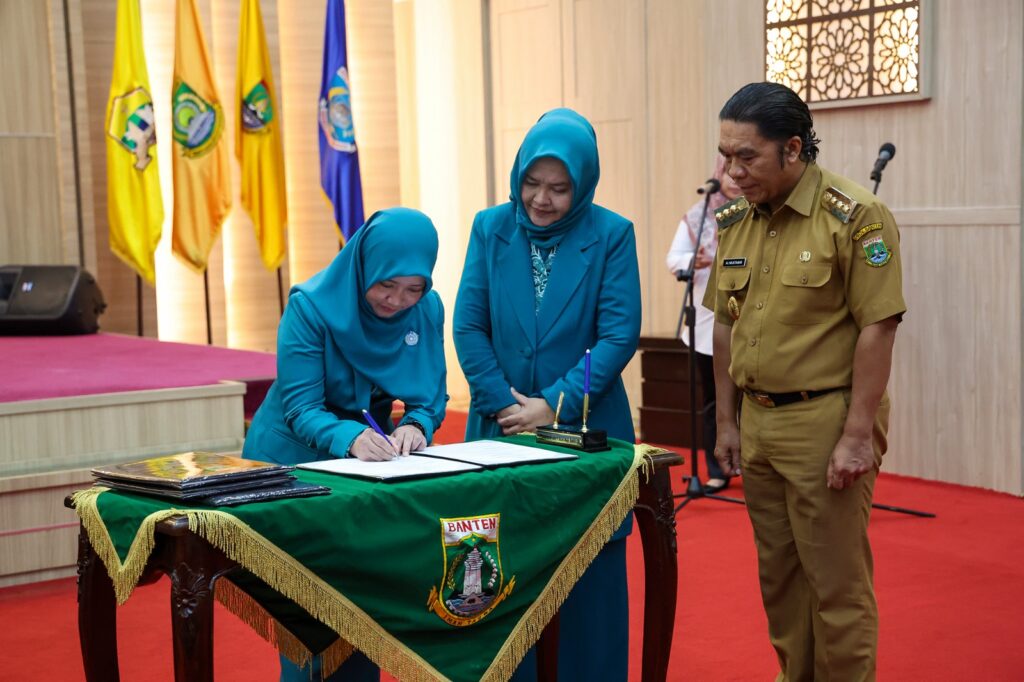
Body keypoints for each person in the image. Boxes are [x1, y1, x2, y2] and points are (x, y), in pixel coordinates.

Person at [706, 82, 905, 681]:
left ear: (793, 149)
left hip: (825, 423)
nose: (732, 171)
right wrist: (725, 420)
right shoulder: (737, 220)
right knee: (781, 581)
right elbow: (723, 326)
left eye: (747, 157)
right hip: (759, 423)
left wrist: (856, 434)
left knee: (836, 586)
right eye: (726, 154)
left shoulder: (855, 217)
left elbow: (880, 326)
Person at [453, 107, 641, 680]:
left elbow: (617, 334)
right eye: (532, 183)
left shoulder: (611, 234)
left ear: (582, 184)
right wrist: (504, 403)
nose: (542, 199)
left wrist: (553, 403)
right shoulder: (491, 227)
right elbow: (469, 325)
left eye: (559, 188)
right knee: (497, 575)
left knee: (589, 579)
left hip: (582, 431)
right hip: (501, 427)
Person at [243, 207, 448, 682]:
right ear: (364, 267)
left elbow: (431, 393)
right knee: (309, 610)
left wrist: (416, 424)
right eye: (386, 285)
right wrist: (350, 437)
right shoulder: (310, 307)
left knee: (365, 597)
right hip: (293, 460)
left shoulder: (427, 309)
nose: (398, 300)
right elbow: (300, 407)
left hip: (370, 464)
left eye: (414, 288)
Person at [665, 155, 742, 493]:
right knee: (715, 403)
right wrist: (691, 260)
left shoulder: (762, 210)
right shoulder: (699, 216)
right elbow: (675, 258)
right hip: (708, 326)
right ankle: (717, 469)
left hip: (751, 325)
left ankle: (757, 470)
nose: (735, 178)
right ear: (717, 174)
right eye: (727, 172)